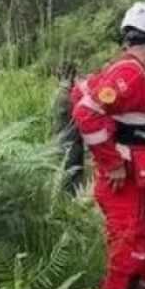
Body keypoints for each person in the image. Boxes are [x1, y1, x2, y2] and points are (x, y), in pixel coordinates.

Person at [71, 2, 145, 289]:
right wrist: (111, 164)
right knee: (130, 250)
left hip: (139, 177)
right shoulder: (130, 74)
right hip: (123, 180)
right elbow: (86, 114)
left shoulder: (140, 74)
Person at [52, 63, 86, 194]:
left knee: (69, 170)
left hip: (65, 138)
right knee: (71, 172)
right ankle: (71, 201)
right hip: (70, 139)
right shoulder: (66, 95)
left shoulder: (62, 93)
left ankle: (70, 200)